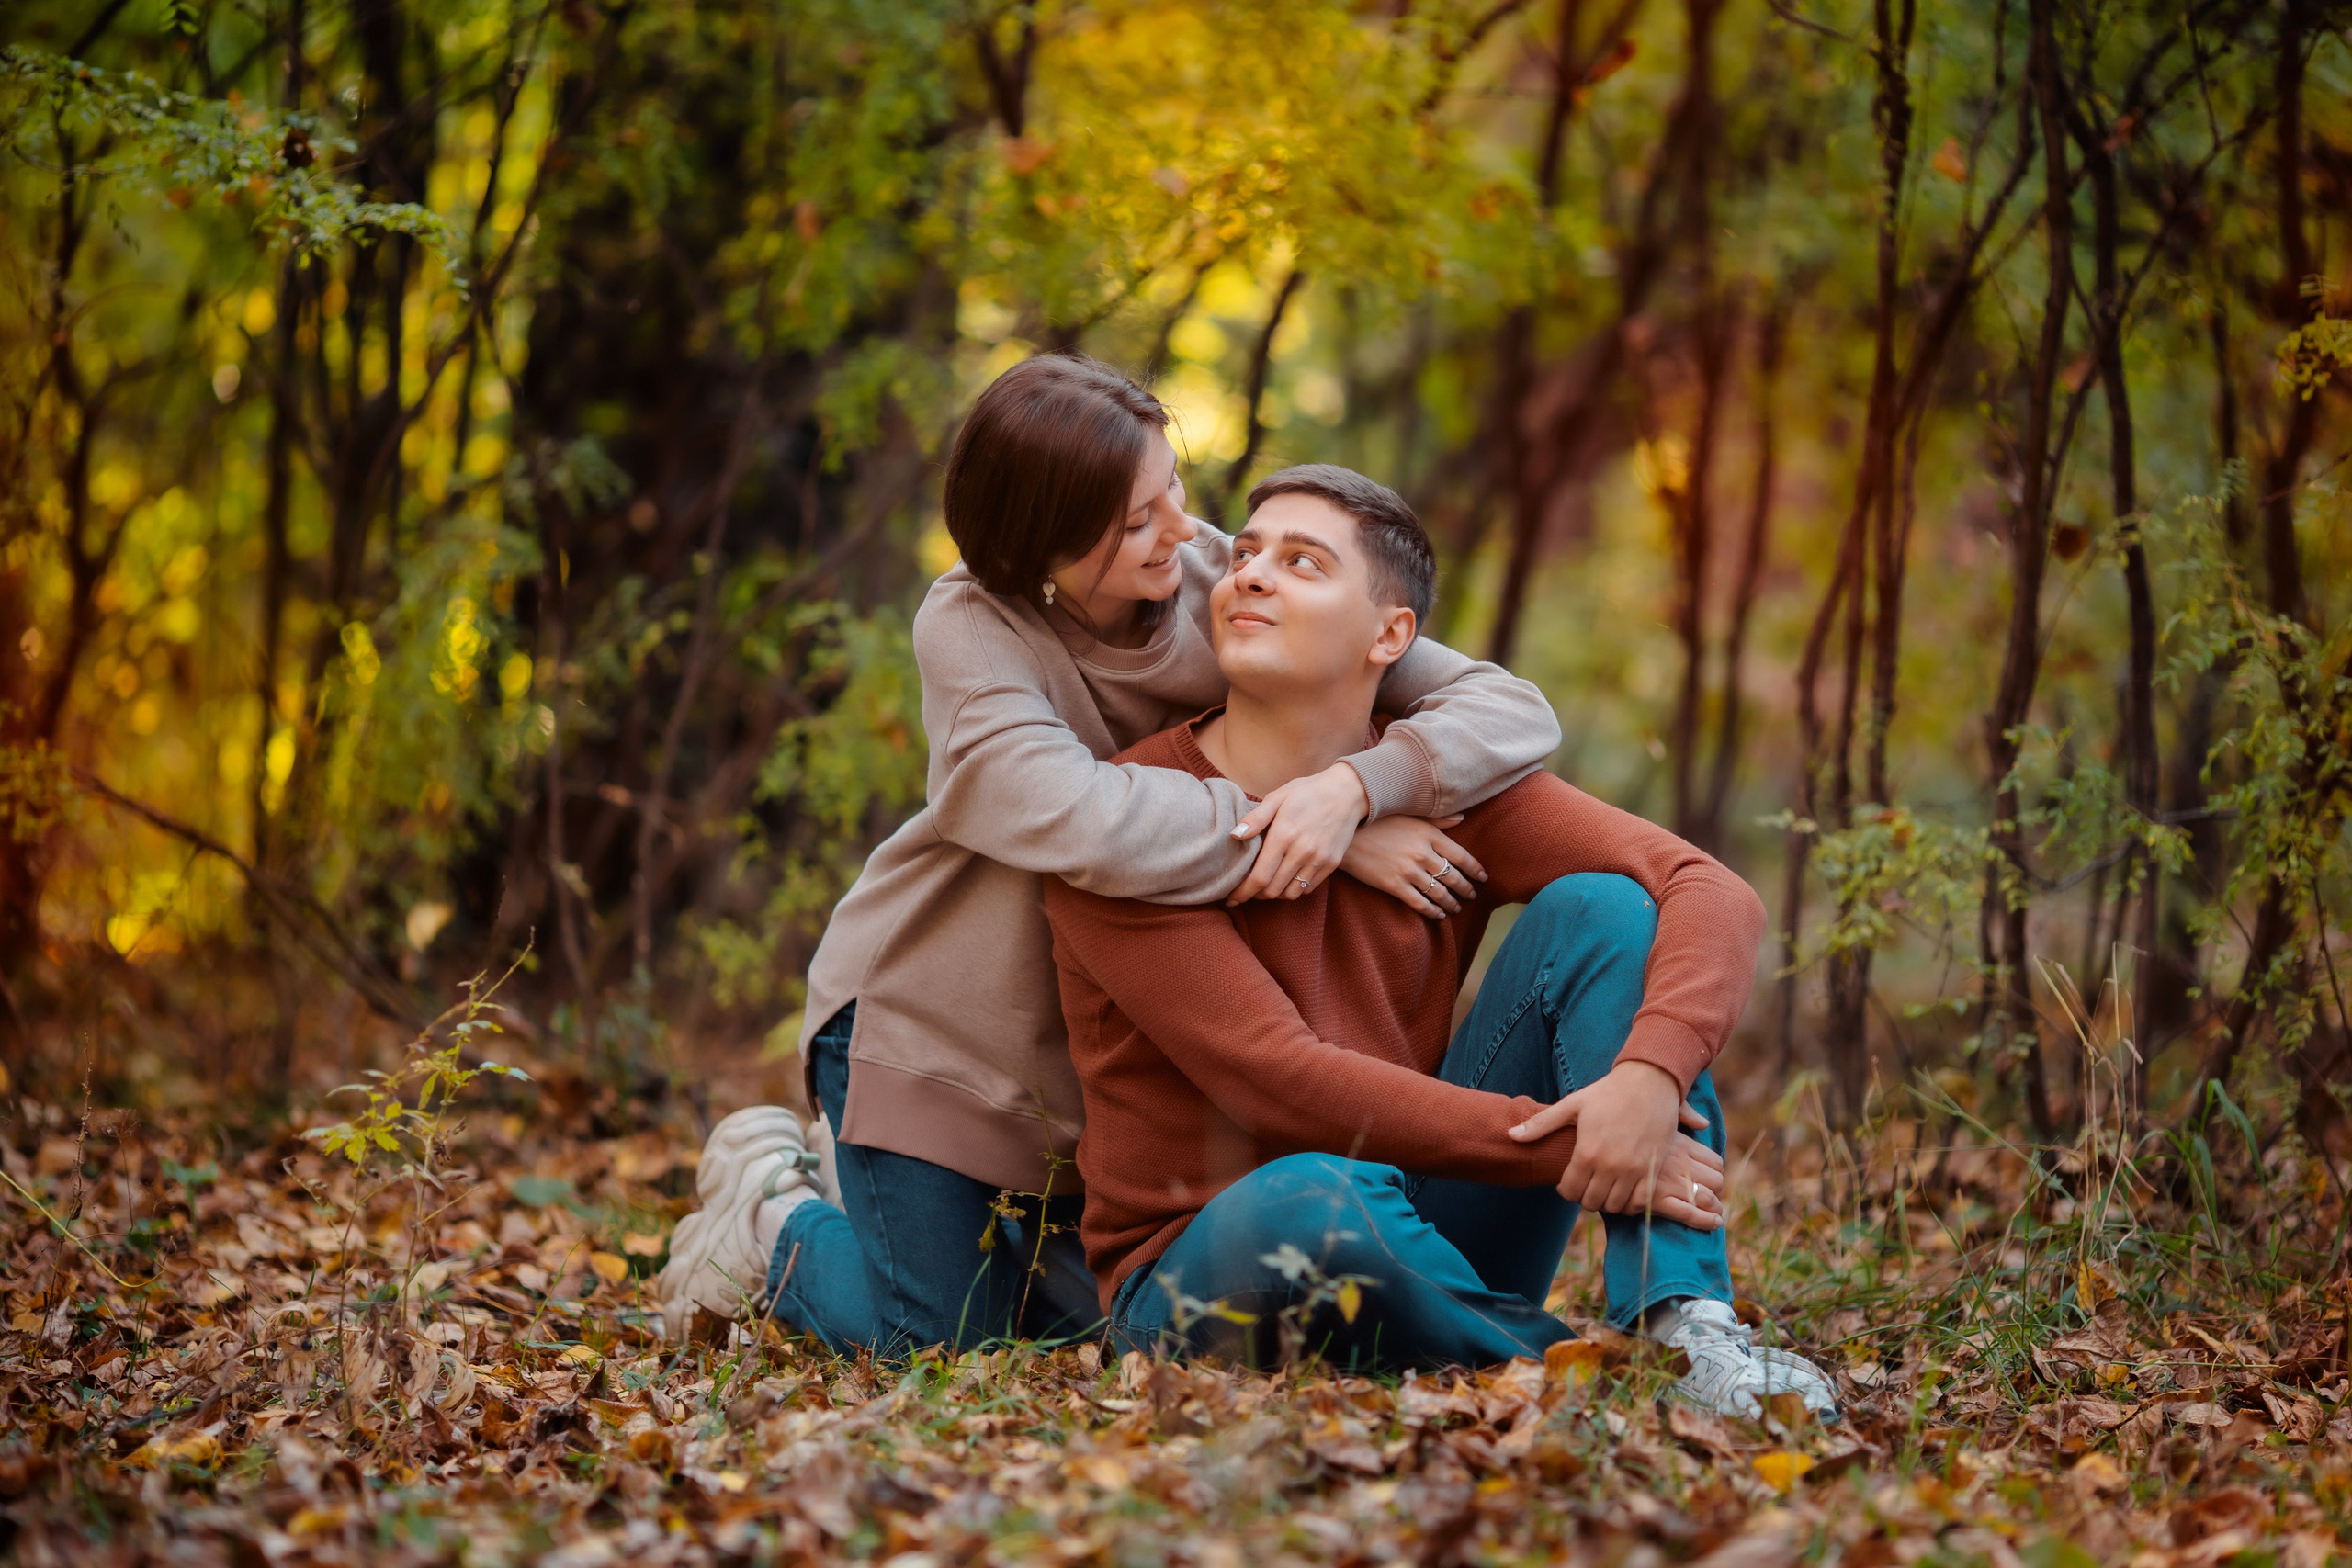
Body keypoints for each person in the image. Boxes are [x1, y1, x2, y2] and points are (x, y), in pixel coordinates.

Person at [658, 357, 1564, 1354]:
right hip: (934, 1027)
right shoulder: (973, 625)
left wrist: (1356, 789)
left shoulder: (1223, 576)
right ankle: (770, 1218)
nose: (1179, 528)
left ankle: (925, 1232)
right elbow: (1069, 815)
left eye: (1170, 488)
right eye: (1136, 520)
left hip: (1097, 1032)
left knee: (1095, 1329)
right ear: (1043, 546)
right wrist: (1313, 831)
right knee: (940, 1342)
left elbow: (1509, 710)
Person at [1041, 464, 1838, 1415]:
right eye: (1246, 553)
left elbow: (1706, 889)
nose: (1248, 574)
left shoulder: (1442, 784)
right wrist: (1572, 1147)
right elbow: (1275, 1077)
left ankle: (1685, 1325)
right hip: (1203, 1276)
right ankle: (1612, 1383)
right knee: (1315, 1194)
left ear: (1391, 635)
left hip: (1415, 1221)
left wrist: (1645, 1084)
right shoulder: (1120, 818)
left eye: (1302, 562)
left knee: (1605, 909)